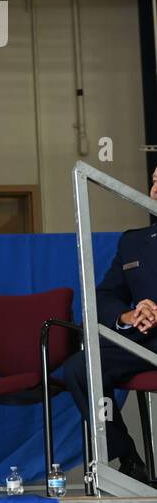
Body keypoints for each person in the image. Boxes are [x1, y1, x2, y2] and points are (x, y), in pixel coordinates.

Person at [58, 165, 157, 485]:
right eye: (154, 182)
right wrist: (128, 316)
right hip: (143, 339)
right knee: (81, 367)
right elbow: (105, 294)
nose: (155, 190)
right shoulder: (133, 242)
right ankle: (127, 459)